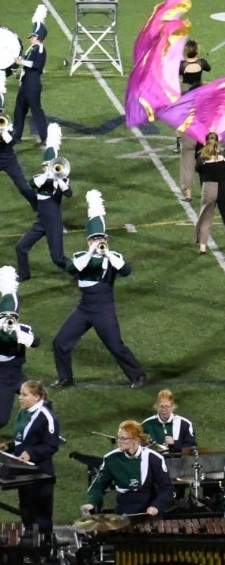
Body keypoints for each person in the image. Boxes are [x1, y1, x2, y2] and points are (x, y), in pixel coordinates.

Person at [52, 190, 147, 389]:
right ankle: (65, 378)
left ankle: (137, 375)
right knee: (60, 342)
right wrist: (90, 252)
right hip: (84, 308)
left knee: (115, 345)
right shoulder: (80, 256)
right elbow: (71, 268)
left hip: (104, 308)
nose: (98, 242)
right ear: (88, 240)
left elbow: (127, 272)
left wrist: (110, 255)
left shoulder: (113, 257)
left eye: (101, 238)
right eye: (94, 239)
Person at [0, 380, 58, 544]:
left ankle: (46, 547)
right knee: (26, 509)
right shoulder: (23, 413)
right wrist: (9, 446)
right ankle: (29, 545)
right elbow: (22, 440)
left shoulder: (46, 416)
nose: (20, 398)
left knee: (41, 514)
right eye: (21, 394)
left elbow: (51, 445)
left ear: (37, 397)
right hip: (23, 471)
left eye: (25, 395)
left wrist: (31, 453)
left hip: (41, 472)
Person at [15, 124, 70, 282]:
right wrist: (47, 175)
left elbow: (69, 194)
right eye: (45, 166)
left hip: (53, 222)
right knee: (21, 247)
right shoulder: (41, 178)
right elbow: (30, 185)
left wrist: (61, 182)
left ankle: (80, 274)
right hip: (40, 222)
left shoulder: (61, 180)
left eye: (49, 165)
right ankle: (25, 274)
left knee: (58, 258)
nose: (48, 168)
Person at [83, 420, 172, 516]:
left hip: (149, 509)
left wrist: (157, 506)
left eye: (123, 438)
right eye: (119, 438)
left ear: (136, 439)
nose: (119, 441)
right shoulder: (111, 458)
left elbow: (166, 488)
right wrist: (91, 502)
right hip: (123, 508)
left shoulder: (154, 458)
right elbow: (98, 485)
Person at [0, 268, 38, 429]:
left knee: (41, 399)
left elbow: (36, 342)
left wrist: (18, 332)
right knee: (1, 420)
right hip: (2, 377)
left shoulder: (20, 329)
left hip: (14, 374)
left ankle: (42, 431)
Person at [195, 132, 225, 254]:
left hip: (208, 188)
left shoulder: (202, 158)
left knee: (205, 217)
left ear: (206, 142)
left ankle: (202, 246)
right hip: (223, 188)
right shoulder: (224, 155)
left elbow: (198, 169)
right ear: (217, 142)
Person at [10, 6, 48, 146]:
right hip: (26, 83)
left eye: (32, 36)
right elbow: (27, 64)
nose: (29, 38)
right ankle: (17, 134)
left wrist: (22, 61)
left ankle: (45, 137)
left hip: (33, 84)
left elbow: (36, 64)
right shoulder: (32, 49)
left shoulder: (41, 49)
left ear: (38, 37)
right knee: (19, 109)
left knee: (36, 110)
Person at [176, 41, 210, 199]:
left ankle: (188, 192)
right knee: (205, 160)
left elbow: (176, 73)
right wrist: (200, 61)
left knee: (187, 162)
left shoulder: (182, 65)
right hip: (202, 125)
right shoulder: (202, 63)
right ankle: (207, 191)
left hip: (185, 93)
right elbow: (208, 67)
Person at [0, 76, 36, 210]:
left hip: (8, 158)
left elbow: (13, 141)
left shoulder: (6, 122)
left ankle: (38, 207)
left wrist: (4, 134)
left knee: (24, 187)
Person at [141, 389, 197, 453]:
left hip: (178, 461)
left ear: (173, 406)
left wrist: (175, 443)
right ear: (156, 406)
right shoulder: (147, 424)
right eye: (161, 406)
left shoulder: (185, 424)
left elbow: (192, 447)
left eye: (167, 406)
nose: (164, 410)